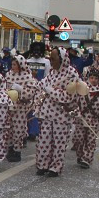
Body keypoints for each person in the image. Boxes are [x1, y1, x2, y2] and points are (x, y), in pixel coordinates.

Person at [35, 47, 81, 177]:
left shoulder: (72, 74)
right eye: (49, 57)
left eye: (53, 58)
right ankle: (42, 165)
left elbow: (68, 97)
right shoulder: (51, 72)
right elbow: (41, 85)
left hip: (61, 116)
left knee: (59, 143)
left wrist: (50, 90)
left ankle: (55, 167)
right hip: (46, 113)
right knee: (43, 141)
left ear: (62, 59)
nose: (50, 60)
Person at [72, 68, 99, 169]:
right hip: (81, 119)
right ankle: (80, 155)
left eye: (96, 78)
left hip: (94, 121)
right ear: (88, 78)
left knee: (90, 140)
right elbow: (75, 102)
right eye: (91, 77)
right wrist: (76, 112)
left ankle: (87, 159)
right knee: (78, 139)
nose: (93, 80)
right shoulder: (81, 89)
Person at [4, 54, 35, 162]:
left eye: (15, 64)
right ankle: (10, 148)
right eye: (12, 64)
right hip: (9, 106)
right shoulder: (8, 75)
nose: (13, 66)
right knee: (8, 128)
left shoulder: (28, 76)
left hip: (20, 108)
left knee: (18, 129)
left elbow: (31, 92)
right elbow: (3, 88)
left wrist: (20, 89)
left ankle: (17, 151)